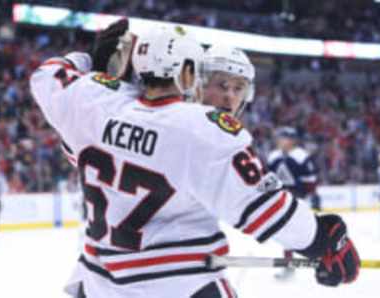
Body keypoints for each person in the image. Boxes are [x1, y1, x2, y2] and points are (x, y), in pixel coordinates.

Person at [30, 23, 359, 298]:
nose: (229, 96)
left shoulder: (94, 102)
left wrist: (89, 63)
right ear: (189, 76)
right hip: (178, 285)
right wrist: (323, 240)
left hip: (98, 282)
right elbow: (268, 210)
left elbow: (47, 75)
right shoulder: (203, 131)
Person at [267, 126, 321, 279]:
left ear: (291, 140)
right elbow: (268, 177)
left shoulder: (301, 156)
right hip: (281, 200)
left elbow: (310, 180)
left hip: (299, 201)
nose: (279, 141)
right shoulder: (274, 156)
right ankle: (289, 267)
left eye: (282, 138)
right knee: (286, 235)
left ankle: (322, 263)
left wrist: (312, 197)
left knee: (307, 233)